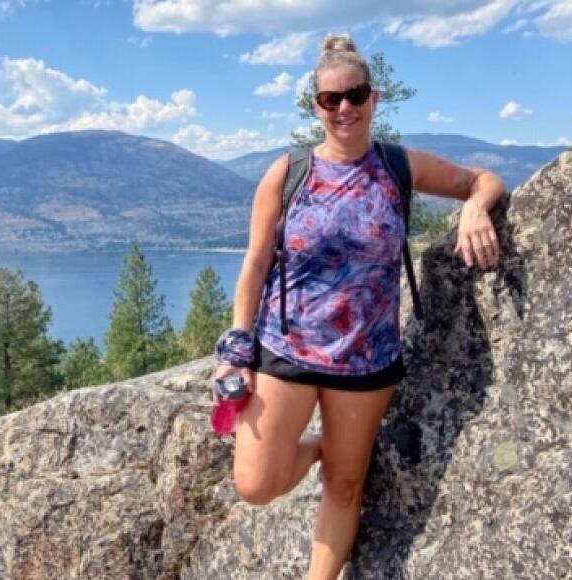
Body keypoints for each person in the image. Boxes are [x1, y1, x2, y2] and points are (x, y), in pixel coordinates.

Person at [212, 34, 505, 580]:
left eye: (355, 95)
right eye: (330, 99)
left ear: (373, 100)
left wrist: (475, 210)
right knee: (255, 483)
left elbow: (483, 181)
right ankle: (324, 445)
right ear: (315, 106)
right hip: (287, 350)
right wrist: (236, 348)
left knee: (346, 487)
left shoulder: (398, 167)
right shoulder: (288, 173)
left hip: (367, 365)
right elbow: (254, 265)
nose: (344, 108)